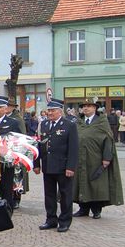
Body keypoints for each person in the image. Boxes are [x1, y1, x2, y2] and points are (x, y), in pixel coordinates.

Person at [73, 99, 124, 219]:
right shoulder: (78, 122)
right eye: (84, 106)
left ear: (94, 108)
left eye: (89, 106)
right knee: (81, 182)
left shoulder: (101, 122)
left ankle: (96, 209)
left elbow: (108, 140)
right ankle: (83, 208)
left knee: (96, 184)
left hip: (96, 159)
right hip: (80, 158)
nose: (86, 108)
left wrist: (106, 159)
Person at [34, 97, 79, 232]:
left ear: (60, 111)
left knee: (65, 195)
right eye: (48, 110)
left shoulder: (69, 125)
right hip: (48, 166)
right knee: (49, 195)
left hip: (63, 167)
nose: (50, 113)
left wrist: (71, 167)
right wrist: (36, 163)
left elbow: (73, 148)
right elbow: (39, 144)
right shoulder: (45, 125)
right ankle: (51, 219)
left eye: (52, 110)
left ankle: (65, 221)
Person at [0, 96, 22, 211]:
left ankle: (7, 210)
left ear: (5, 109)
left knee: (6, 187)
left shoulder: (13, 123)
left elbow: (17, 140)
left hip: (6, 162)